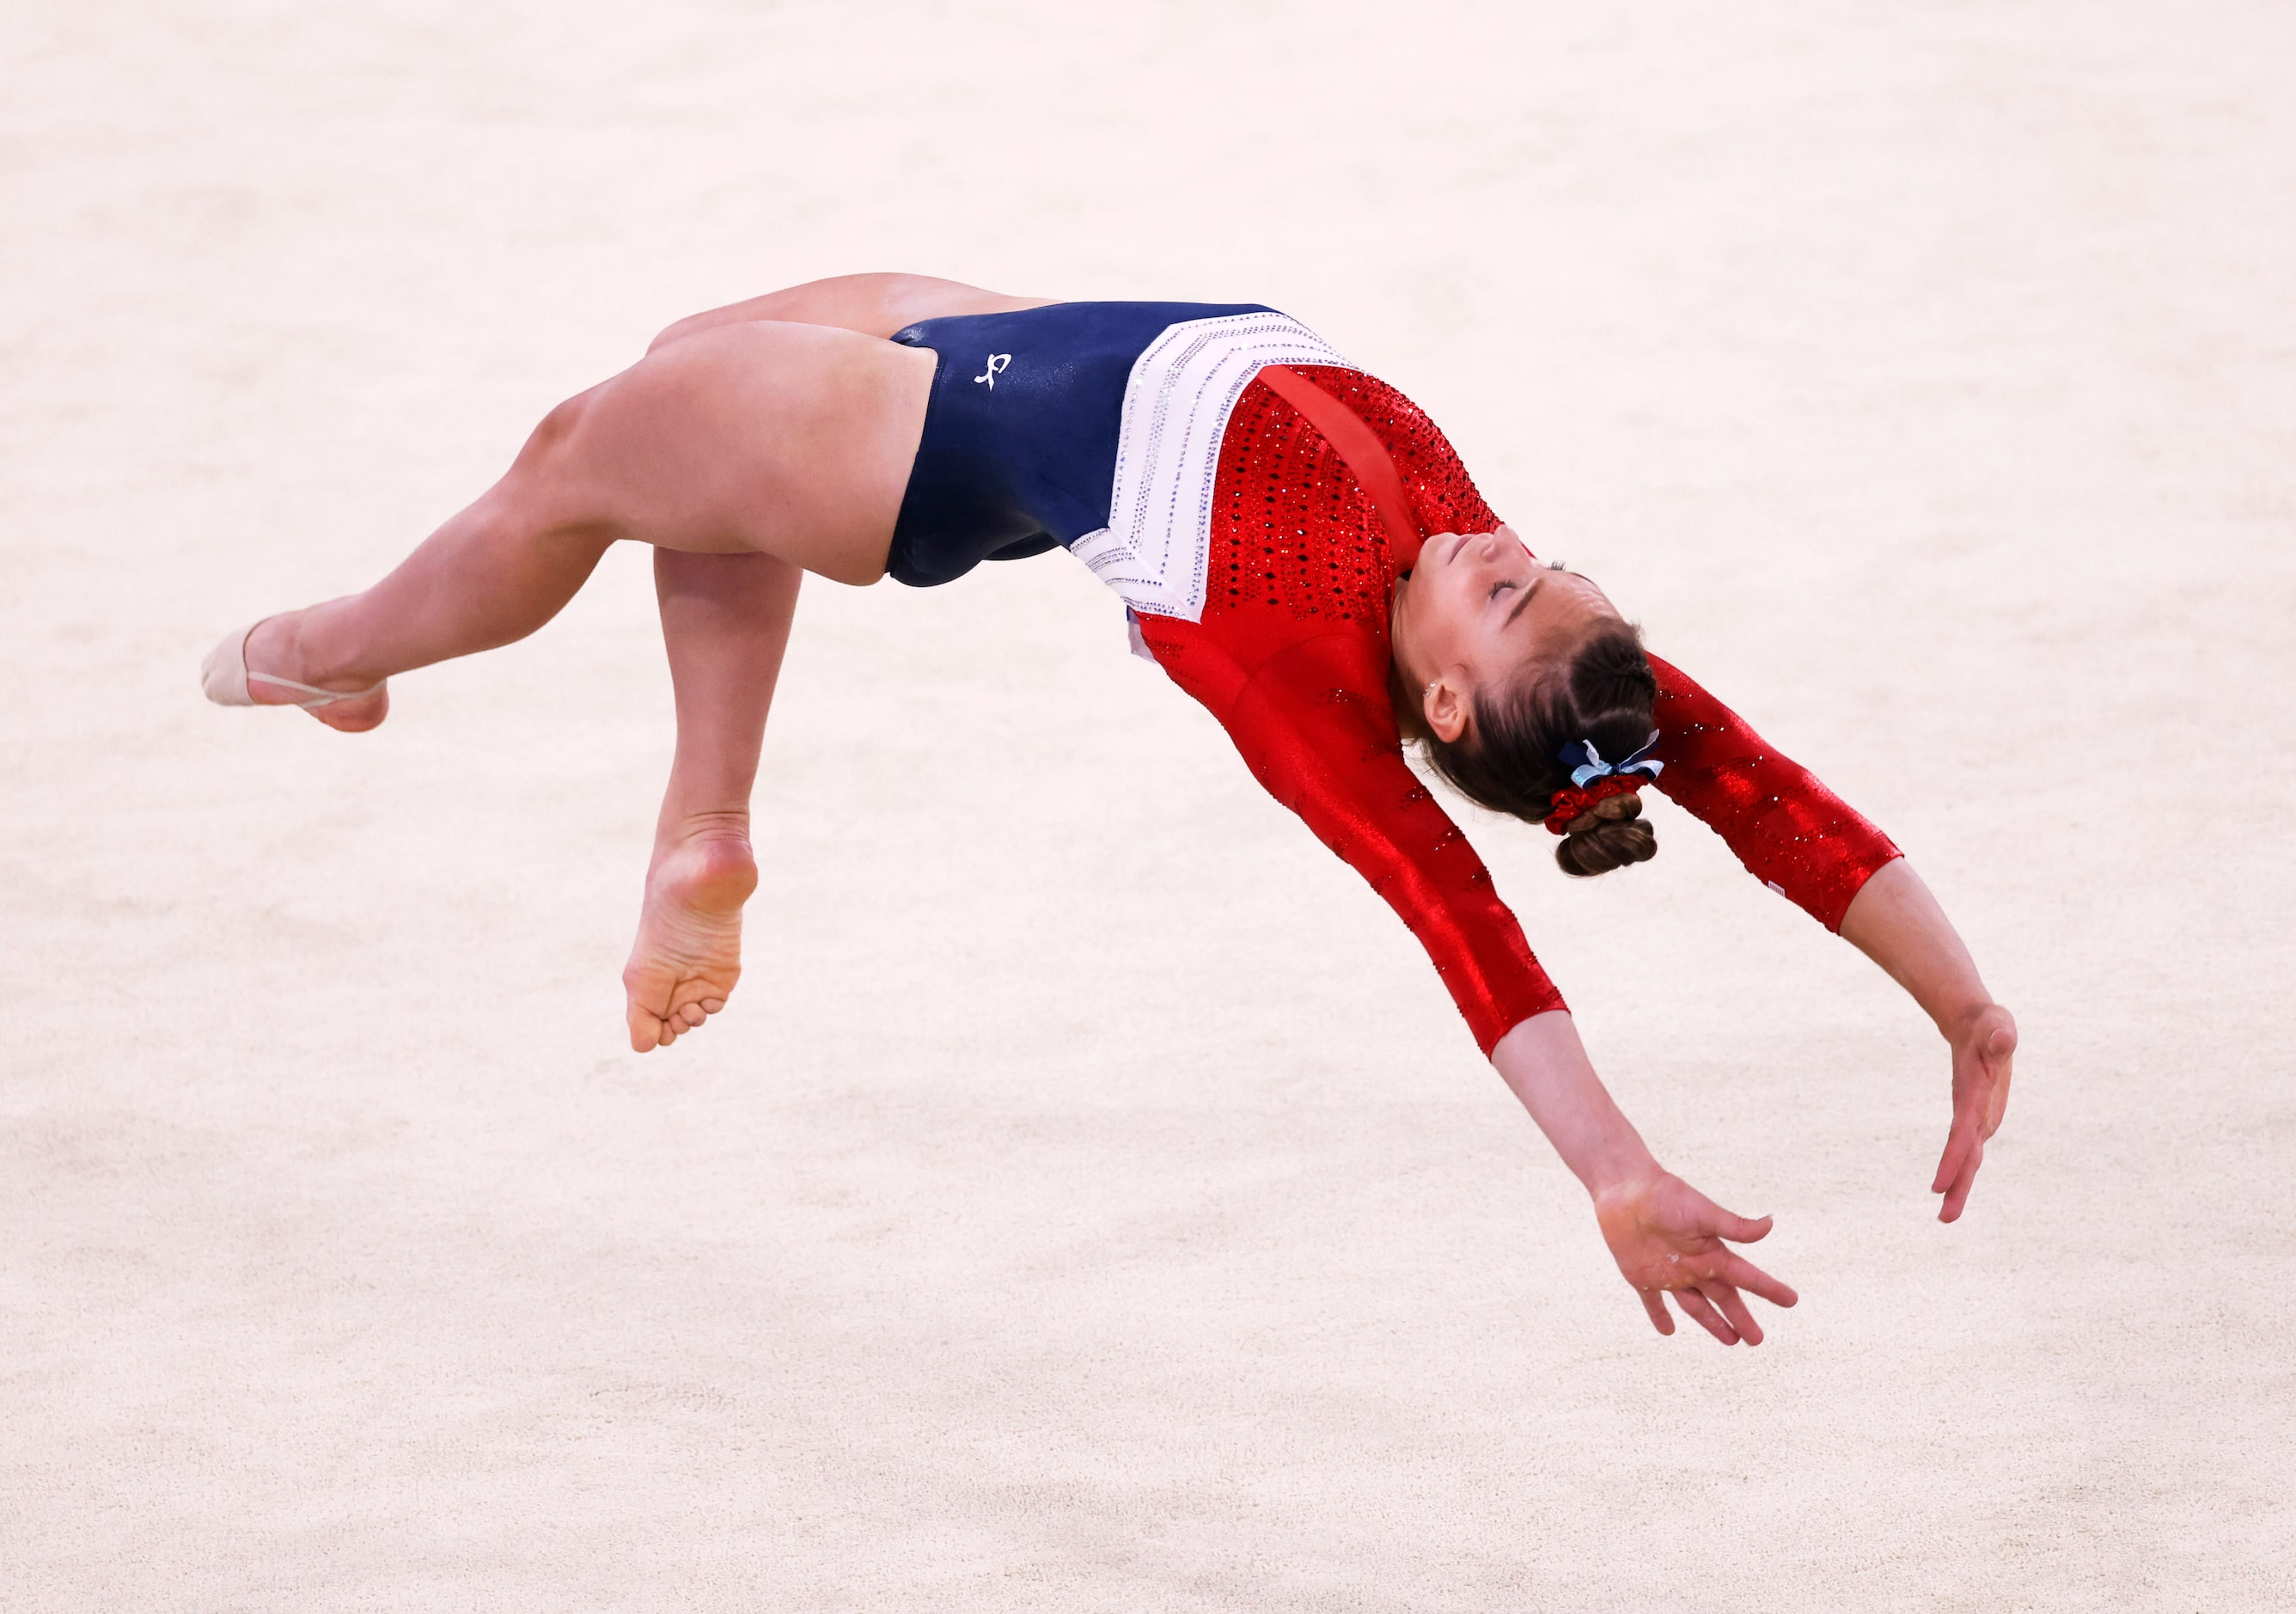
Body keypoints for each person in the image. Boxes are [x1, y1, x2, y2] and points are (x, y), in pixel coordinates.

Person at [201, 273, 2017, 1348]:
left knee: (573, 461)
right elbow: (1762, 789)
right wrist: (1963, 1005)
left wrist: (1615, 1173)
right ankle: (701, 820)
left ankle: (324, 648)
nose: (1509, 552)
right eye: (1553, 572)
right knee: (698, 373)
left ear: (1445, 697)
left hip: (922, 429)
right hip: (1031, 371)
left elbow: (1457, 919)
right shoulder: (1569, 685)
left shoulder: (1302, 678)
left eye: (1512, 593)